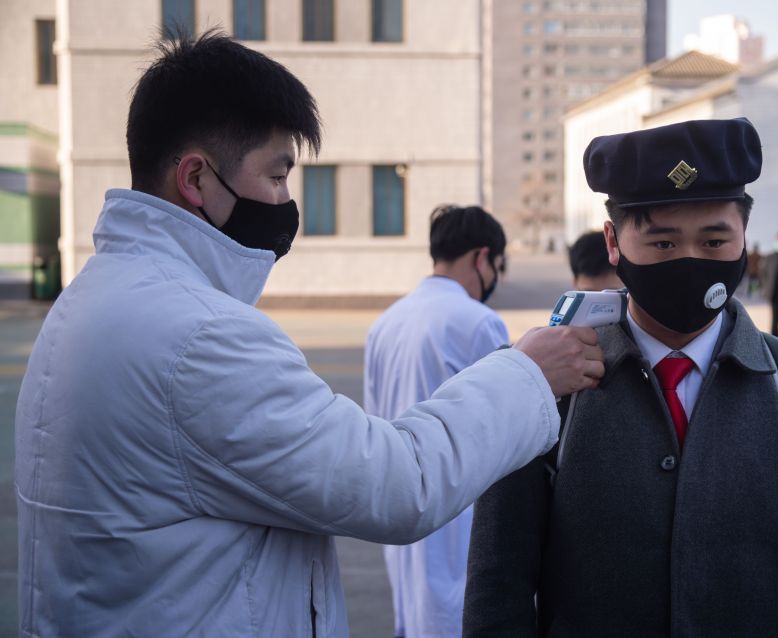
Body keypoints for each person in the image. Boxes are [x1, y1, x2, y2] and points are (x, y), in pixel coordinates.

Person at [14, 32, 605, 637]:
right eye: (276, 175)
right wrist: (527, 372)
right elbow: (397, 482)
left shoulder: (91, 299)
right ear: (196, 178)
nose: (285, 201)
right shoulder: (200, 339)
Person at [463, 118, 778, 636]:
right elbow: (497, 589)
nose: (691, 261)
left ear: (744, 238)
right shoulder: (541, 383)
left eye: (713, 242)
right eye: (663, 244)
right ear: (613, 242)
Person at [364, 204, 510, 638]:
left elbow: (373, 422)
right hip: (460, 513)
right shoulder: (479, 323)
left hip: (399, 510)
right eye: (498, 266)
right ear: (482, 258)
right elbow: (504, 429)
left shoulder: (385, 323)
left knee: (414, 615)